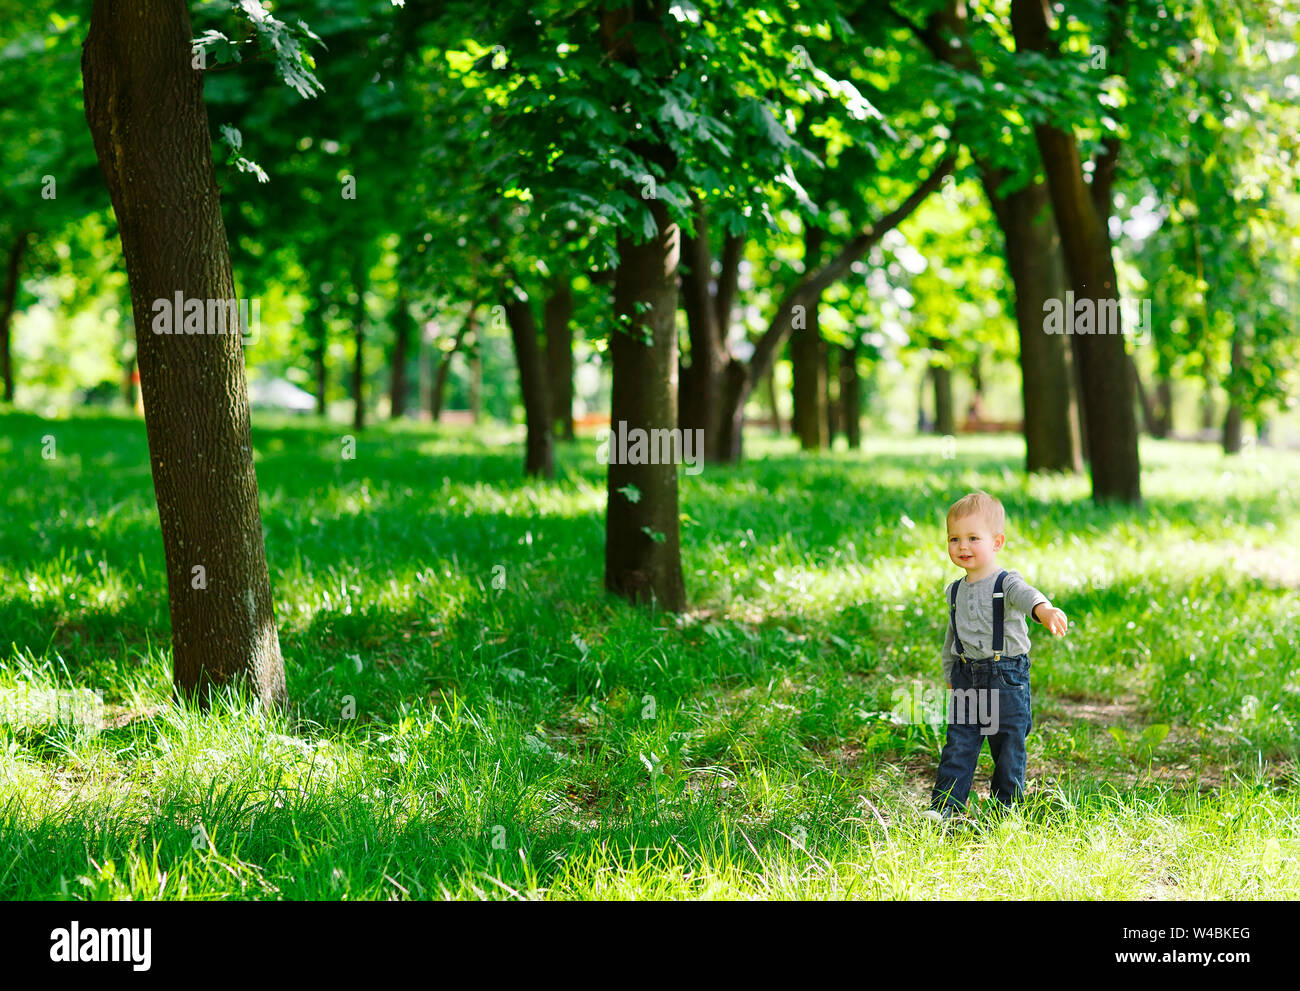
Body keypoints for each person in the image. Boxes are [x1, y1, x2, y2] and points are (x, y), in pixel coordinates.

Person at [921, 491, 1068, 822]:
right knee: (959, 743)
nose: (962, 546)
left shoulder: (1006, 581)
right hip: (966, 675)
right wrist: (949, 673)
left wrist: (1044, 610)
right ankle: (945, 806)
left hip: (1006, 677)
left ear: (997, 542)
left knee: (1008, 745)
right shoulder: (955, 590)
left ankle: (1007, 808)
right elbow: (952, 635)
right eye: (954, 538)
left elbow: (1027, 595)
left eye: (973, 538)